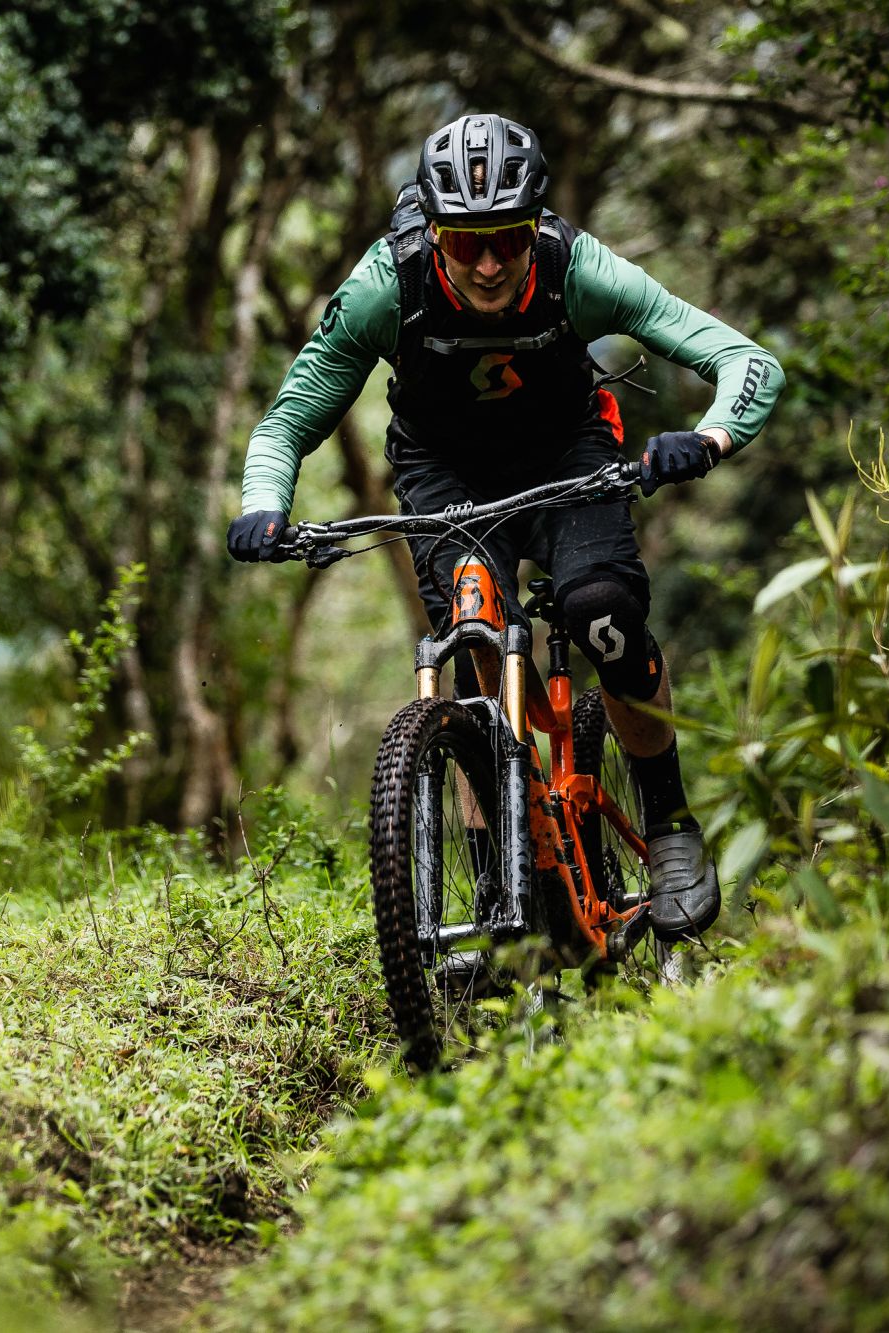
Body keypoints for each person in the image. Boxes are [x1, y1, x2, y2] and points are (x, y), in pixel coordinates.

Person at [226, 112, 784, 939]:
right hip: (444, 470)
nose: (488, 262)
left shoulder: (578, 271)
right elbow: (287, 421)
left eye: (509, 238)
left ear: (536, 227)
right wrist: (262, 505)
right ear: (433, 230)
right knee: (476, 641)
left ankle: (668, 823)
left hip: (570, 455)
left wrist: (706, 437)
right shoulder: (389, 285)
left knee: (604, 611)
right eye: (464, 242)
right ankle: (497, 888)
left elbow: (746, 361)